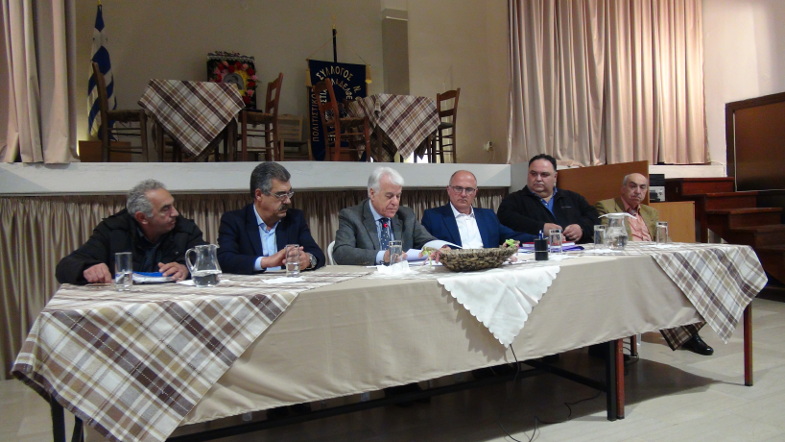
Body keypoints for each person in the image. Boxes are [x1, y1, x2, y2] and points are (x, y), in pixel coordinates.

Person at [596, 173, 714, 356]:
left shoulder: (650, 212)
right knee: (667, 285)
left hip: (655, 261)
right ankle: (688, 336)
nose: (638, 191)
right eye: (633, 186)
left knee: (693, 279)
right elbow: (610, 237)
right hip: (629, 264)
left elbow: (663, 238)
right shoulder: (606, 206)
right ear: (623, 188)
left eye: (642, 187)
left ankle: (689, 333)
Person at [56, 179, 206, 284]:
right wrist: (87, 268)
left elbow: (208, 261)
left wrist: (186, 268)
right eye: (165, 209)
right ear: (142, 217)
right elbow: (65, 267)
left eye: (172, 205)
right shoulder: (113, 229)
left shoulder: (185, 229)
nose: (175, 213)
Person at [217, 162, 325, 274]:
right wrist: (266, 262)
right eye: (281, 195)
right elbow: (225, 259)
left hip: (288, 283)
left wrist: (308, 259)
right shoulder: (234, 220)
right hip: (252, 284)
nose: (288, 201)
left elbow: (317, 254)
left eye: (289, 194)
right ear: (259, 195)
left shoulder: (294, 219)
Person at [333, 166, 440, 265]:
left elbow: (426, 240)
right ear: (372, 193)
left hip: (403, 275)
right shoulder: (352, 216)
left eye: (398, 196)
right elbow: (341, 252)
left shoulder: (406, 215)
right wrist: (383, 256)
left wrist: (441, 247)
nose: (395, 202)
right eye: (389, 196)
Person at [497, 154, 598, 243]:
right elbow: (507, 221)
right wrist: (541, 228)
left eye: (544, 174)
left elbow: (594, 217)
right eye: (533, 174)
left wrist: (581, 228)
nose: (538, 179)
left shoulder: (572, 197)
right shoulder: (513, 200)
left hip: (579, 250)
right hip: (539, 252)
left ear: (555, 176)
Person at [422, 170, 536, 247]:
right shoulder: (433, 217)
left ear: (475, 192)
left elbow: (512, 236)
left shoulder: (488, 216)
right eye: (458, 188)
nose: (463, 194)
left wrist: (542, 239)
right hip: (453, 270)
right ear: (448, 190)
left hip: (487, 269)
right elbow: (424, 245)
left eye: (469, 190)